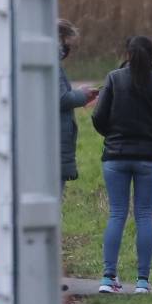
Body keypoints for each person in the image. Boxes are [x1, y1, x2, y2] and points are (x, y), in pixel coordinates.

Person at [91, 36, 152, 294]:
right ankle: (142, 283)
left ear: (127, 53)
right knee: (144, 215)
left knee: (116, 214)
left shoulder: (113, 78)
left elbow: (98, 117)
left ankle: (107, 278)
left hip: (115, 157)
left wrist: (112, 135)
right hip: (149, 160)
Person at [57, 19, 99, 194]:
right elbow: (60, 99)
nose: (68, 50)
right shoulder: (52, 66)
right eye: (67, 43)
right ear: (60, 38)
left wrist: (78, 92)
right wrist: (83, 95)